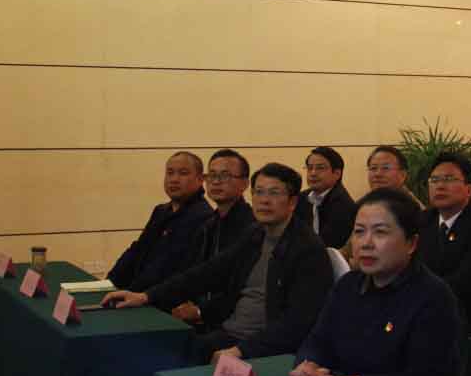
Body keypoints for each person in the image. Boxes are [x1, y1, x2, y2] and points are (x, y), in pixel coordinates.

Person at [101, 163, 333, 363]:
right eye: (259, 192)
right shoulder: (255, 234)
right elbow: (207, 273)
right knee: (151, 350)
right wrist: (145, 296)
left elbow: (296, 324)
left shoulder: (308, 250)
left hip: (266, 350)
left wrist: (240, 351)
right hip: (228, 333)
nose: (264, 200)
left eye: (274, 193)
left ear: (292, 202)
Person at [289, 188, 467, 376]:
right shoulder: (347, 285)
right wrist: (308, 367)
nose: (366, 243)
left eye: (380, 232)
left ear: (411, 243)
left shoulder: (433, 296)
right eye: (359, 231)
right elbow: (317, 341)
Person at [416, 152, 471, 336]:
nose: (440, 186)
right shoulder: (423, 220)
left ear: (469, 190)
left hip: (467, 316)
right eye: (434, 180)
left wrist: (419, 295)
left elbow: (466, 282)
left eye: (449, 179)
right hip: (428, 306)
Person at [107, 151, 213, 292]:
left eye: (183, 173)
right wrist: (109, 283)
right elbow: (137, 250)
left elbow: (167, 267)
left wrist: (134, 292)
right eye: (170, 173)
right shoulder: (161, 211)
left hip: (161, 296)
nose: (174, 179)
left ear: (200, 179)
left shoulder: (203, 217)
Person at [189, 149, 256, 266]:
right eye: (212, 175)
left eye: (225, 176)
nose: (216, 182)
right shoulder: (206, 225)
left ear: (245, 184)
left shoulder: (252, 226)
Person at [292, 146, 357, 250]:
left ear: (337, 174)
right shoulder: (301, 198)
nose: (313, 173)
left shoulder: (343, 206)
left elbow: (329, 246)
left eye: (320, 168)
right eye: (309, 168)